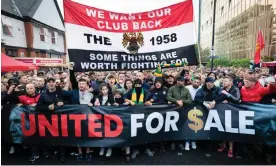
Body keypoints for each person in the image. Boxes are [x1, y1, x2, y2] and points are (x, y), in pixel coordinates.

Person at [62, 78, 94, 162]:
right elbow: (63, 93)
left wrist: (94, 104)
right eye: (80, 84)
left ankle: (87, 152)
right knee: (77, 135)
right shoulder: (73, 92)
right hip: (75, 118)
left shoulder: (91, 94)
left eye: (83, 84)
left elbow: (96, 104)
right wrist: (68, 83)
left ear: (87, 85)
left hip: (87, 118)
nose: (81, 85)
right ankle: (80, 152)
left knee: (88, 135)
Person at [36, 78, 66, 162]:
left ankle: (62, 154)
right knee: (51, 137)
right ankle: (54, 153)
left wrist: (63, 103)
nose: (51, 84)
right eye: (49, 82)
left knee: (61, 137)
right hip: (48, 120)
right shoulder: (43, 94)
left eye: (53, 82)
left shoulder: (61, 92)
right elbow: (37, 107)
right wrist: (47, 108)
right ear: (47, 84)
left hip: (61, 119)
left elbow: (70, 102)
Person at [215, 76, 241, 158]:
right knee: (223, 129)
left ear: (230, 82)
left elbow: (237, 100)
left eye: (225, 81)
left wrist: (228, 95)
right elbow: (220, 98)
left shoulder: (235, 89)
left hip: (233, 112)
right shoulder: (223, 89)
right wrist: (218, 101)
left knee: (230, 130)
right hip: (224, 111)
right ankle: (224, 145)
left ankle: (231, 149)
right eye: (223, 81)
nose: (224, 83)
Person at [166, 76, 193, 150]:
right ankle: (173, 142)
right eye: (180, 81)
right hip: (173, 111)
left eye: (183, 81)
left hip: (183, 111)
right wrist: (176, 101)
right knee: (173, 127)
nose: (182, 82)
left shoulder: (186, 89)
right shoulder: (172, 88)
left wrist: (182, 101)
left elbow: (190, 100)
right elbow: (168, 97)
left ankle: (180, 142)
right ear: (177, 81)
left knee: (181, 127)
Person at [94, 83, 114, 158]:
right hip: (100, 118)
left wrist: (112, 104)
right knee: (102, 133)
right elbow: (95, 104)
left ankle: (109, 148)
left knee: (109, 133)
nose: (104, 91)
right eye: (103, 89)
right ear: (101, 90)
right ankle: (102, 147)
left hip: (109, 118)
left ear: (108, 89)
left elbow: (113, 104)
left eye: (106, 89)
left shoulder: (111, 96)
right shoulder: (98, 97)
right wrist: (95, 103)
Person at [184, 77, 202, 151]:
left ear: (200, 83)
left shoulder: (201, 88)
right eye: (195, 82)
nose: (196, 83)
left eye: (198, 82)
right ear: (192, 81)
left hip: (198, 109)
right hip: (187, 108)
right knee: (188, 125)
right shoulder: (186, 88)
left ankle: (194, 141)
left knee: (195, 126)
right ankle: (187, 142)